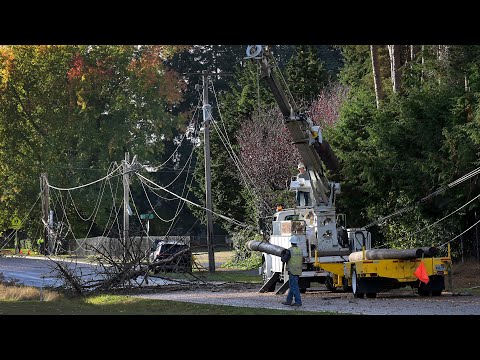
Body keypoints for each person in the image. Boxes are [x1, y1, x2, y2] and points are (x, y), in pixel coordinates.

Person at [281, 235, 303, 306]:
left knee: (294, 287)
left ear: (291, 243)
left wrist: (282, 255)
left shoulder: (289, 251)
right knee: (292, 286)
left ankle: (298, 301)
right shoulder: (299, 250)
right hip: (298, 270)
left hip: (292, 270)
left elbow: (284, 259)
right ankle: (288, 300)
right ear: (296, 243)